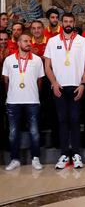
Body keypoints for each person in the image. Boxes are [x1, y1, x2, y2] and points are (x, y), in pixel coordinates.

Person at [44, 12, 85, 169]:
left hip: (76, 87)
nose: (68, 24)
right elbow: (47, 66)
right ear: (61, 23)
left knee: (75, 120)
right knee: (62, 120)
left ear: (74, 22)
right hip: (59, 87)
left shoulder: (82, 41)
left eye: (71, 21)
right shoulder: (52, 41)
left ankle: (76, 154)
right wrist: (54, 83)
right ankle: (64, 155)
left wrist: (83, 84)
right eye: (65, 21)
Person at [3, 34, 44, 171]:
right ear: (19, 43)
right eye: (25, 41)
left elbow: (40, 81)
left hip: (32, 101)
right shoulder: (8, 60)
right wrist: (11, 94)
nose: (28, 43)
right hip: (13, 102)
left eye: (29, 41)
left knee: (34, 131)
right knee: (13, 132)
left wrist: (33, 93)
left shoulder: (37, 60)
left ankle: (36, 158)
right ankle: (14, 159)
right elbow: (6, 81)